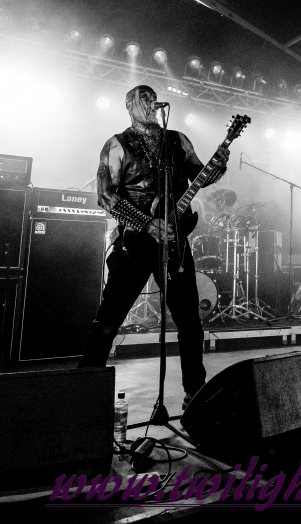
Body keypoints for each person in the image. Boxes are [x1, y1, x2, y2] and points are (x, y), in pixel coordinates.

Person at [79, 85, 229, 411]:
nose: (150, 102)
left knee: (190, 322)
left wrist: (218, 166)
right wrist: (146, 223)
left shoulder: (178, 140)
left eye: (152, 97)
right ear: (130, 106)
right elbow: (105, 196)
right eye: (142, 98)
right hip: (133, 244)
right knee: (108, 321)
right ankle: (86, 393)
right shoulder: (117, 144)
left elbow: (201, 175)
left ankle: (195, 394)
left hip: (174, 245)